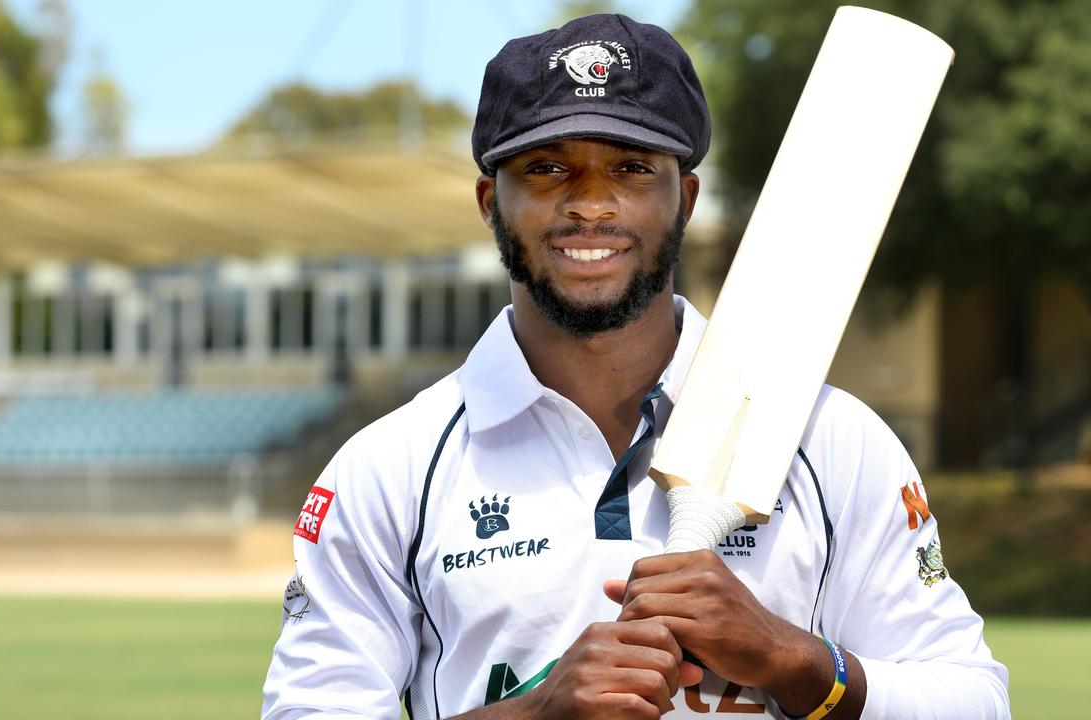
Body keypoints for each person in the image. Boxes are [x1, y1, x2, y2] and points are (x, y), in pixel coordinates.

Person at [263, 13, 1009, 720]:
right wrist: (538, 710)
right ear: (491, 201)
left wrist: (794, 659)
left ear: (682, 198)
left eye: (630, 167)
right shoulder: (391, 468)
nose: (591, 204)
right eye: (548, 167)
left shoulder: (833, 440)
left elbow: (977, 703)